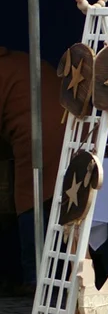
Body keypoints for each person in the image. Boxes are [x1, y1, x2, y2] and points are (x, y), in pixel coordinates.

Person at [0, 47, 64, 295]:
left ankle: (35, 277)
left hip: (38, 135)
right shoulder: (19, 61)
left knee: (30, 199)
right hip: (68, 125)